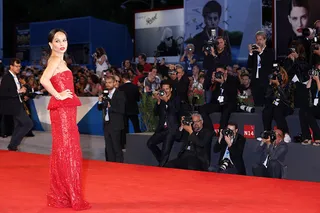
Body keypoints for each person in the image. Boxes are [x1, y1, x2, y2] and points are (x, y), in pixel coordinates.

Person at [39, 28, 90, 210]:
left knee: (66, 150)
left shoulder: (60, 60)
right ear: (50, 44)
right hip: (61, 111)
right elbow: (44, 80)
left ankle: (65, 194)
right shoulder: (54, 60)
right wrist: (59, 95)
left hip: (66, 111)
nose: (62, 44)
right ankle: (70, 195)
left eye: (64, 40)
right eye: (58, 41)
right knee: (68, 151)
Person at [0, 58, 33, 151]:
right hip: (13, 106)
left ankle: (12, 146)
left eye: (19, 66)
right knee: (28, 123)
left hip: (18, 103)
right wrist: (19, 91)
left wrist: (22, 95)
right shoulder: (7, 77)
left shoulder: (16, 77)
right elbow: (3, 93)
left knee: (19, 125)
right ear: (11, 66)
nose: (18, 68)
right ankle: (14, 144)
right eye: (16, 66)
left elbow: (15, 92)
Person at [147, 80, 180, 167]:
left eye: (167, 89)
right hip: (162, 128)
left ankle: (161, 167)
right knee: (150, 143)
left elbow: (175, 111)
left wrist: (166, 100)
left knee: (165, 152)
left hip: (172, 129)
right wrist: (158, 102)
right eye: (163, 89)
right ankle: (162, 162)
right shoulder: (161, 99)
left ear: (171, 89)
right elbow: (156, 113)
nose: (165, 91)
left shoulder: (176, 99)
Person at [200, 64, 239, 132]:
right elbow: (205, 87)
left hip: (228, 102)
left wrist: (223, 83)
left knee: (226, 111)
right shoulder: (215, 80)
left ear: (226, 72)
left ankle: (221, 132)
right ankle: (210, 130)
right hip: (217, 103)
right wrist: (212, 81)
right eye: (217, 72)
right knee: (202, 109)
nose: (219, 74)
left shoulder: (233, 79)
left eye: (220, 72)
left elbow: (233, 93)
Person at [262, 67, 295, 143]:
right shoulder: (273, 85)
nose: (278, 77)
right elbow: (267, 97)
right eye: (276, 75)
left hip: (287, 105)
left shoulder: (290, 83)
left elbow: (286, 98)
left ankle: (286, 134)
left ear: (284, 75)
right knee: (266, 110)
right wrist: (270, 85)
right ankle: (267, 133)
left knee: (277, 110)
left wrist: (278, 85)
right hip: (275, 105)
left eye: (280, 75)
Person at [98, 76, 126, 162]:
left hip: (116, 124)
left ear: (115, 83)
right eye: (106, 82)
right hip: (107, 124)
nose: (107, 84)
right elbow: (100, 108)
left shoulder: (120, 94)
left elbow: (122, 110)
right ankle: (110, 166)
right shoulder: (105, 94)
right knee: (108, 147)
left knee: (116, 146)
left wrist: (110, 107)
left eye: (110, 82)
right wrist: (100, 101)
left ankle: (119, 166)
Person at [247, 31, 275, 106]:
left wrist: (261, 52)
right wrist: (250, 53)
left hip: (265, 81)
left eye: (260, 39)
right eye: (257, 40)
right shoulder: (255, 52)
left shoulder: (270, 51)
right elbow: (249, 65)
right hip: (255, 81)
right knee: (257, 103)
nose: (258, 41)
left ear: (265, 40)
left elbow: (268, 64)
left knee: (266, 103)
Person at [118, 72, 141, 149]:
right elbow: (138, 99)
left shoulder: (121, 88)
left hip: (124, 110)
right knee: (136, 126)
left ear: (123, 78)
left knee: (124, 127)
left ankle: (123, 144)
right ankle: (139, 142)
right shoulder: (135, 87)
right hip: (133, 109)